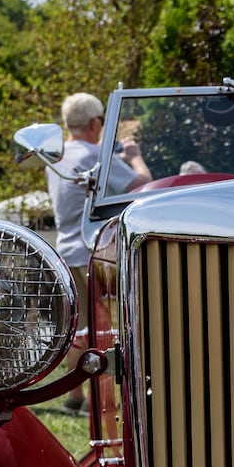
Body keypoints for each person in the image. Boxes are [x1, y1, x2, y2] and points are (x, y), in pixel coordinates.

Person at [49, 92, 152, 415]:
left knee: (77, 326)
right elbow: (144, 184)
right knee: (103, 327)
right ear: (96, 123)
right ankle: (98, 401)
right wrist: (133, 155)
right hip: (94, 250)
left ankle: (74, 395)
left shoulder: (57, 158)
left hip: (65, 248)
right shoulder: (98, 154)